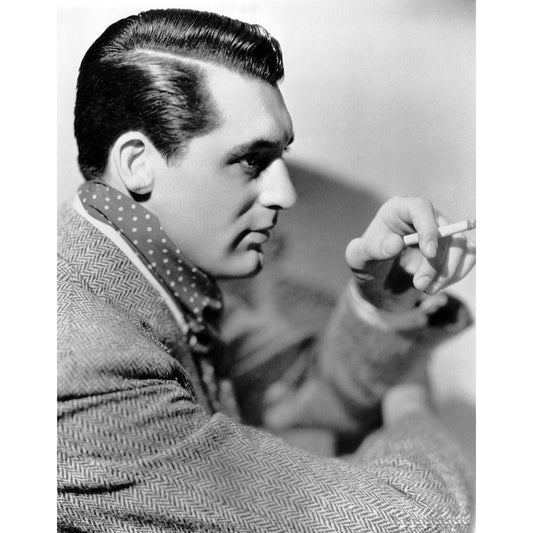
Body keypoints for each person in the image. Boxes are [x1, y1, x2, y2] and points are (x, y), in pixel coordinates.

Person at [57, 8, 476, 532]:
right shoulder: (89, 366)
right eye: (252, 161)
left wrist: (382, 300)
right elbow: (422, 519)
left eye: (282, 159)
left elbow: (297, 406)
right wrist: (410, 400)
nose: (286, 194)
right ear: (138, 163)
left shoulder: (147, 279)